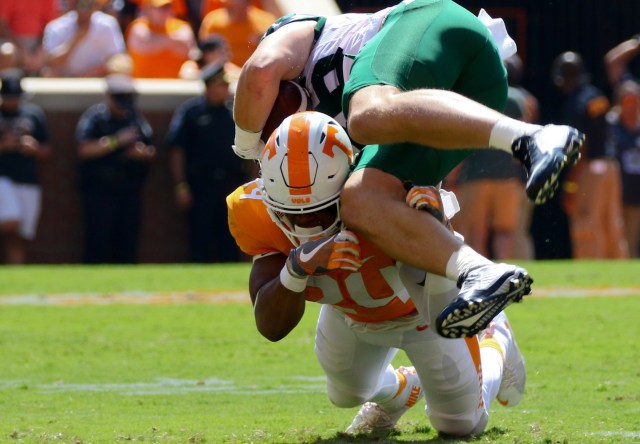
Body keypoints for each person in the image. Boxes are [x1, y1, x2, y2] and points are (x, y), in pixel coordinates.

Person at [232, 1, 584, 338]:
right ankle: (478, 272)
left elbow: (259, 73)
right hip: (468, 95)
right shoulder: (339, 148)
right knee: (361, 199)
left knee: (366, 115)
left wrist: (250, 148)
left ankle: (534, 137)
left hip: (435, 26)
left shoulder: (302, 35)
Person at [227, 111, 527, 437]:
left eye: (321, 211)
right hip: (351, 316)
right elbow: (270, 326)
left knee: (460, 424)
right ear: (271, 201)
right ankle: (401, 391)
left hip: (424, 315)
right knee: (345, 394)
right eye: (292, 214)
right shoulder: (255, 213)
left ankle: (495, 337)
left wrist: (430, 221)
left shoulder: (385, 196)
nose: (307, 227)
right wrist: (297, 267)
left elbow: (438, 282)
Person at [451, 54, 531, 260]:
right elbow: (523, 139)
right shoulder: (517, 99)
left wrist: (452, 175)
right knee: (504, 231)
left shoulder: (475, 94)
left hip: (476, 176)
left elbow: (463, 137)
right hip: (507, 177)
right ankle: (503, 270)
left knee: (477, 232)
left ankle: (482, 277)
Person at [167, 63, 248, 262]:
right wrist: (181, 185)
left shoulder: (234, 111)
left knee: (230, 238)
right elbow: (177, 149)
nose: (226, 89)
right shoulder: (191, 112)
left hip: (231, 183)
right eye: (221, 84)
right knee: (200, 237)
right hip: (201, 184)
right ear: (209, 86)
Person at [552, 51, 628, 259]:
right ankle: (619, 273)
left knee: (587, 223)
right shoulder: (596, 96)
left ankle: (592, 274)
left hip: (590, 169)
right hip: (610, 167)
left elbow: (580, 147)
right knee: (611, 222)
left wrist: (570, 186)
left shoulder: (576, 102)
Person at [75, 73, 156, 263]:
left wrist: (141, 153)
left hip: (129, 189)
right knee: (98, 243)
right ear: (109, 97)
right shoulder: (95, 118)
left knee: (127, 244)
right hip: (100, 189)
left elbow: (151, 150)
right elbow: (84, 149)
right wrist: (116, 141)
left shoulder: (136, 119)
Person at [0, 71, 51, 264]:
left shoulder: (33, 114)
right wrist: (4, 146)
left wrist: (33, 147)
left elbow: (47, 151)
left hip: (28, 179)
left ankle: (16, 274)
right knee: (12, 222)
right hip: (3, 178)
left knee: (22, 236)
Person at [607, 80, 640, 258]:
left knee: (631, 242)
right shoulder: (610, 126)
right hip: (614, 194)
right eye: (627, 103)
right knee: (611, 240)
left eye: (635, 103)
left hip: (639, 195)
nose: (631, 108)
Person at [41, 0, 126, 78]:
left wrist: (95, 72)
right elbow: (50, 62)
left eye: (90, 4)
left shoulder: (108, 25)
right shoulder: (56, 27)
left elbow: (118, 59)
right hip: (65, 82)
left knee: (122, 69)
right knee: (49, 73)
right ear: (73, 5)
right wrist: (76, 39)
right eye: (82, 4)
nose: (85, 9)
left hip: (97, 81)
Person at [126, 0, 196, 78]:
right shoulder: (138, 26)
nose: (165, 11)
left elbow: (185, 48)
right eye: (160, 8)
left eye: (168, 7)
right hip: (144, 86)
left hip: (176, 87)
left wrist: (155, 39)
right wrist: (172, 40)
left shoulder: (181, 26)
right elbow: (145, 45)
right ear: (148, 9)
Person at [198, 0, 276, 67]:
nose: (228, 7)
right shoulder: (213, 22)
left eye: (232, 4)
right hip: (224, 75)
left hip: (256, 72)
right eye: (227, 3)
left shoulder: (265, 22)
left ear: (247, 3)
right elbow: (207, 55)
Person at [0, 0, 60, 75]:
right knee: (7, 52)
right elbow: (2, 25)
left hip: (39, 44)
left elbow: (51, 25)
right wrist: (21, 50)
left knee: (58, 56)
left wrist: (40, 50)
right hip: (11, 42)